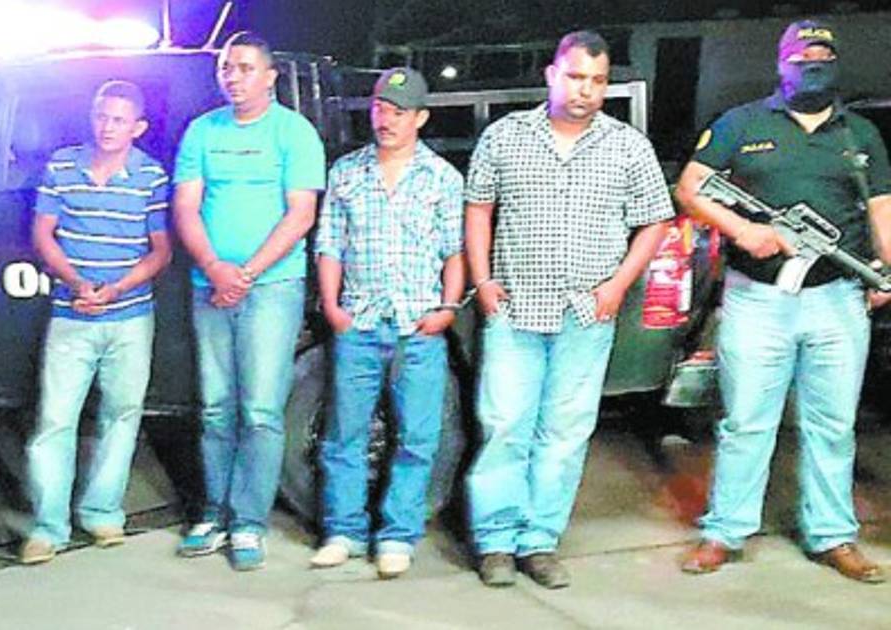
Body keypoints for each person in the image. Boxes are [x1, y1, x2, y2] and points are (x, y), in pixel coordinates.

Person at [675, 20, 889, 584]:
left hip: (838, 300)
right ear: (781, 62)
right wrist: (744, 230)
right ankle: (725, 532)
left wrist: (884, 271)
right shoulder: (741, 123)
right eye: (802, 55)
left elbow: (881, 209)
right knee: (746, 422)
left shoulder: (859, 133)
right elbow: (691, 187)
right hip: (757, 299)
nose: (813, 64)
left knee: (832, 426)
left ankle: (833, 535)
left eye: (822, 55)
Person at [464, 30, 673, 589]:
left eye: (598, 81)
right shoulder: (506, 135)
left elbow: (656, 220)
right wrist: (482, 280)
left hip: (586, 312)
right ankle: (495, 542)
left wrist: (619, 285)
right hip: (515, 308)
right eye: (576, 77)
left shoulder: (627, 145)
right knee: (505, 425)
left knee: (564, 432)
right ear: (552, 75)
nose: (585, 90)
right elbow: (479, 207)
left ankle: (539, 542)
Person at [171, 31, 325, 571]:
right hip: (209, 285)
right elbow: (186, 207)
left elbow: (301, 214)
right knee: (216, 407)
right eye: (226, 68)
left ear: (269, 76)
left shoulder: (294, 132)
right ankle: (214, 513)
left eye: (244, 68)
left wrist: (248, 273)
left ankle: (248, 522)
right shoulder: (202, 131)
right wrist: (215, 267)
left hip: (272, 288)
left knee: (260, 409)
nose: (233, 77)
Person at [309, 67, 464, 579]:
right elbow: (330, 244)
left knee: (417, 437)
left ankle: (397, 535)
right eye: (380, 108)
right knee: (344, 434)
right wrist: (333, 307)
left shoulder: (442, 178)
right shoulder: (347, 173)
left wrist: (447, 308)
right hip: (359, 321)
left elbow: (454, 251)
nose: (386, 119)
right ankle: (343, 532)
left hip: (417, 326)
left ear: (420, 118)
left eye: (399, 112)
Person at [17, 80, 172, 565]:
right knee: (55, 420)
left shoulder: (150, 175)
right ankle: (48, 528)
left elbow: (161, 250)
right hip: (72, 312)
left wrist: (116, 289)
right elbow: (43, 234)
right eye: (102, 116)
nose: (108, 127)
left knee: (122, 416)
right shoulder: (63, 166)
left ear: (137, 127)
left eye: (119, 120)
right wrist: (77, 284)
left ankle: (102, 512)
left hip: (130, 316)